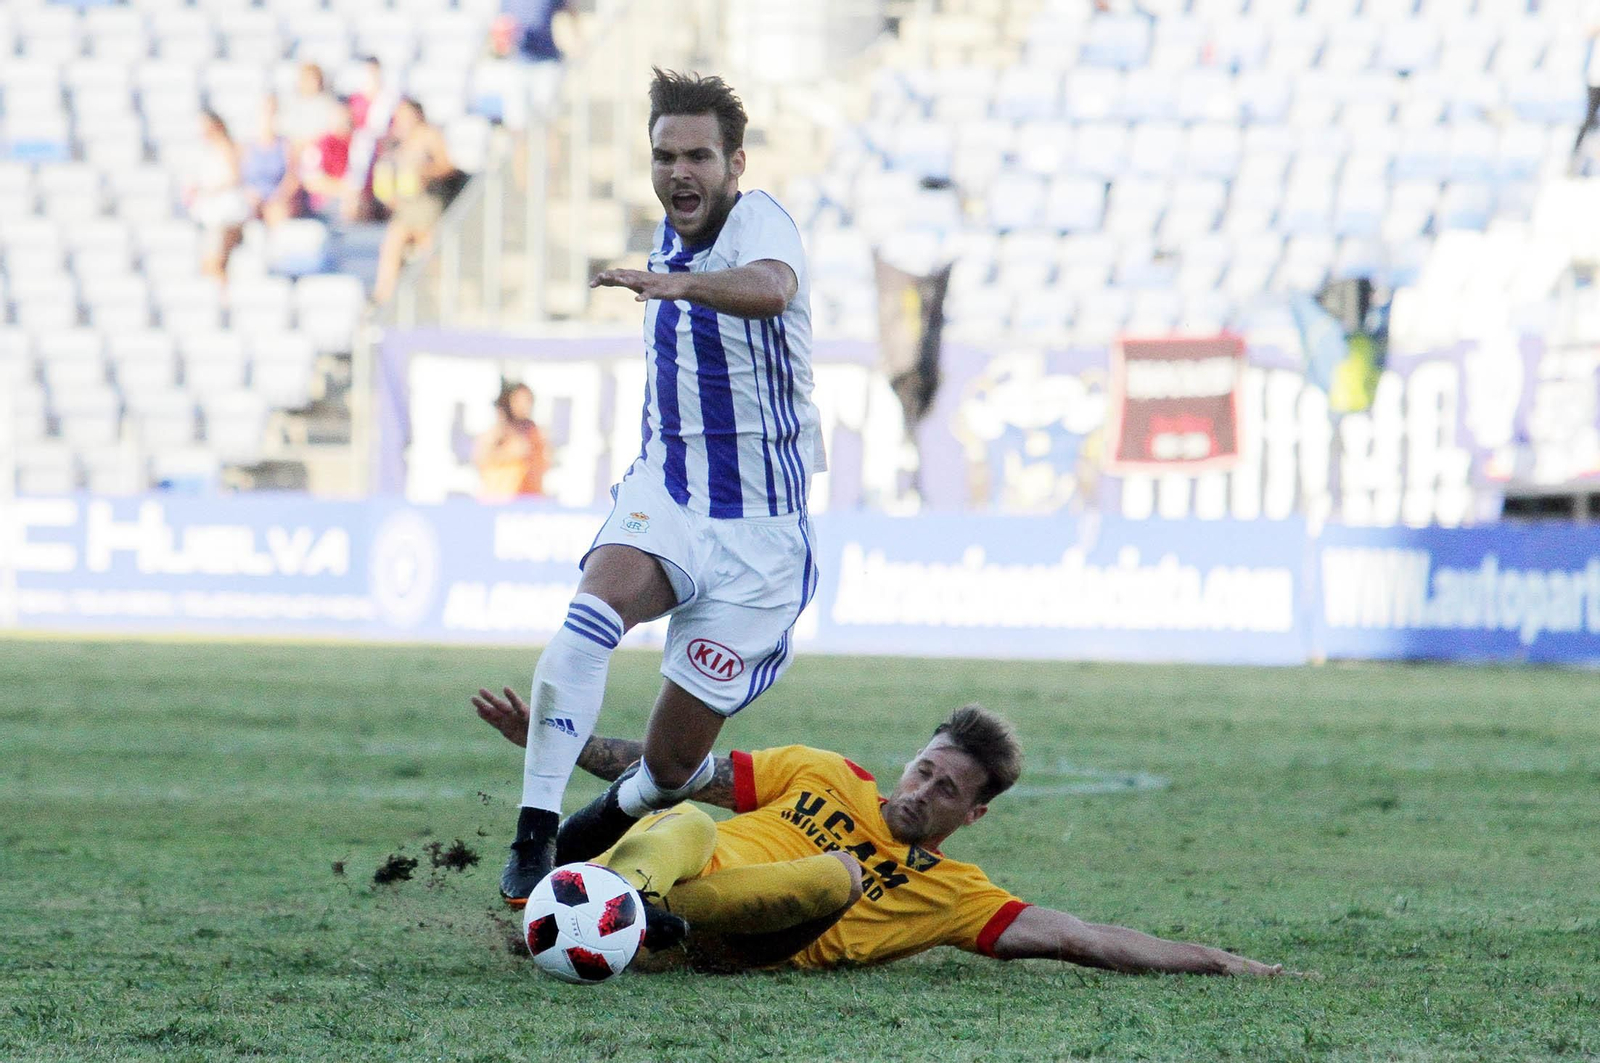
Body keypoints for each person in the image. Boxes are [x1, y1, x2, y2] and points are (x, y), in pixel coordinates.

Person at [496, 69, 825, 913]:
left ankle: (592, 829)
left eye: (699, 156)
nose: (680, 172)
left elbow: (772, 288)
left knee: (672, 767)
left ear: (735, 162)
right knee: (589, 615)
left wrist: (680, 284)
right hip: (671, 494)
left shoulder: (759, 220)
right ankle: (533, 836)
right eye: (665, 155)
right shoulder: (664, 232)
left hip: (761, 540)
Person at [474, 688, 1287, 976]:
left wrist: (1218, 959)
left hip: (728, 943)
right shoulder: (825, 771)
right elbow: (675, 768)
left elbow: (1084, 938)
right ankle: (611, 907)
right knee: (683, 813)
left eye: (946, 790)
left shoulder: (954, 895)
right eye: (924, 767)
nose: (922, 789)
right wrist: (555, 745)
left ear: (973, 816)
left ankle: (600, 919)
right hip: (659, 876)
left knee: (838, 877)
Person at [370, 98, 465, 304]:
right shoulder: (397, 141)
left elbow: (448, 166)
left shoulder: (429, 135)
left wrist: (426, 173)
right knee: (392, 245)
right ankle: (383, 299)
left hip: (428, 204)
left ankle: (443, 300)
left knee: (429, 251)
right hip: (405, 207)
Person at [187, 111, 250, 279]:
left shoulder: (226, 147)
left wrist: (210, 190)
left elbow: (234, 177)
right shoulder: (209, 150)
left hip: (225, 211)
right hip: (211, 212)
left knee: (217, 262)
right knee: (209, 263)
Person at [474, 381, 551, 499]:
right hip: (499, 498)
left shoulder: (535, 433)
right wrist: (508, 453)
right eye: (518, 400)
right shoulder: (497, 432)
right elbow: (481, 458)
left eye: (527, 400)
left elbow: (543, 463)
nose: (524, 405)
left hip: (529, 499)